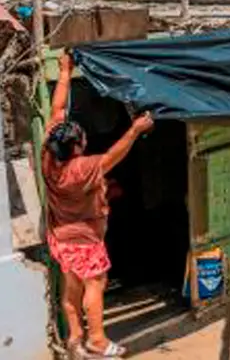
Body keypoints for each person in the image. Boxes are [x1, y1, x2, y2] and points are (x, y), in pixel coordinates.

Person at [43, 53, 153, 359]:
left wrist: (65, 72)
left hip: (60, 237)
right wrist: (135, 130)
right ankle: (98, 340)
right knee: (96, 283)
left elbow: (56, 108)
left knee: (71, 287)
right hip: (85, 239)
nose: (83, 136)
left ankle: (75, 339)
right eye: (81, 137)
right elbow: (112, 157)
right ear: (77, 147)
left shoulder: (49, 155)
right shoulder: (83, 168)